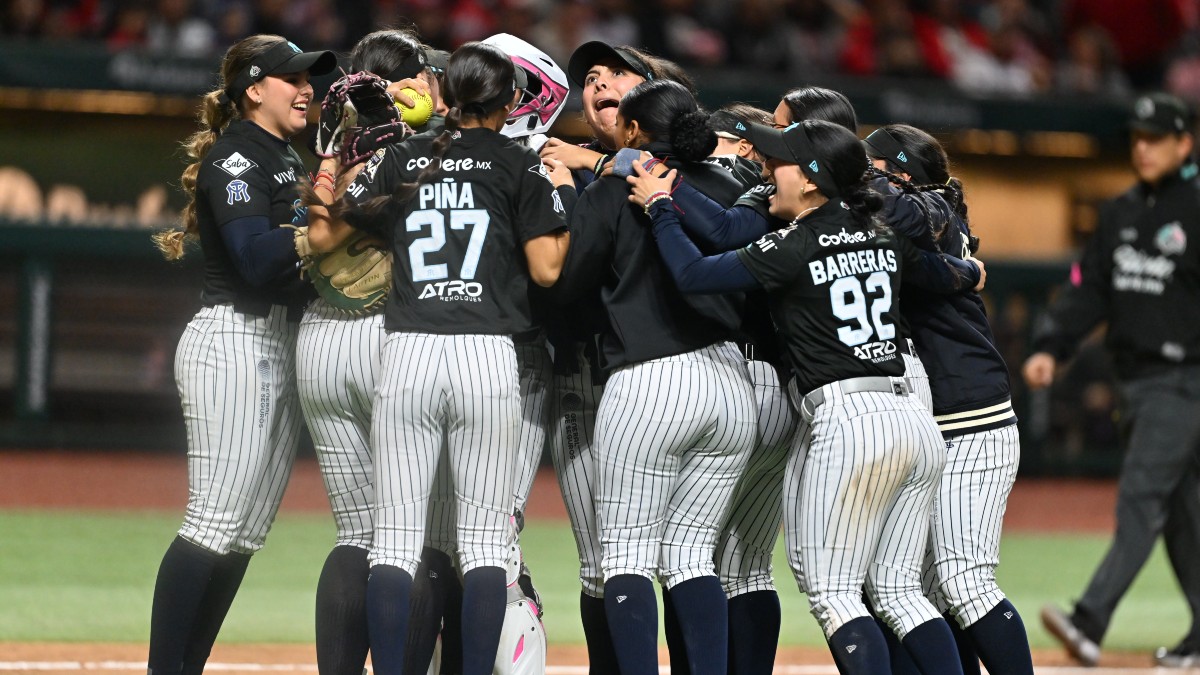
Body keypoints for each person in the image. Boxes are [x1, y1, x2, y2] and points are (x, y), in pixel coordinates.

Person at [638, 118, 982, 673]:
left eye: (782, 162)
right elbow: (939, 272)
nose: (769, 169)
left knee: (835, 593)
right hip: (911, 417)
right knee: (900, 593)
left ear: (815, 180)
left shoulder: (796, 243)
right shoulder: (880, 229)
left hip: (850, 418)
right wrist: (971, 270)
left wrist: (660, 206)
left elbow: (694, 275)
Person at [309, 41, 569, 675]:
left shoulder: (403, 155)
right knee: (482, 547)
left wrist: (329, 158)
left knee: (393, 544)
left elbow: (323, 234)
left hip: (408, 353)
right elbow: (548, 267)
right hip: (487, 356)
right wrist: (559, 202)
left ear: (445, 98)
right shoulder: (519, 163)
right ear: (509, 104)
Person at [549, 77, 757, 675]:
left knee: (627, 556)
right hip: (731, 384)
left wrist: (569, 194)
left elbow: (568, 283)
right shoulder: (725, 185)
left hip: (649, 383)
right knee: (693, 558)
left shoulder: (616, 189)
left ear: (635, 131)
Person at [146, 34, 335, 675]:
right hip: (234, 340)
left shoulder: (287, 154)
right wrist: (331, 230)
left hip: (278, 342)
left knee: (243, 534)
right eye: (292, 77)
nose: (307, 87)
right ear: (254, 88)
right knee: (213, 522)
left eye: (309, 77)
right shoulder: (236, 155)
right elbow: (257, 260)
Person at [537, 39, 697, 673]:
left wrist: (600, 165)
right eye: (590, 78)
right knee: (605, 563)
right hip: (588, 373)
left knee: (689, 558)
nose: (597, 82)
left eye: (615, 73)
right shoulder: (564, 169)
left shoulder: (689, 160)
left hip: (683, 377)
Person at [1026, 92, 1200, 668]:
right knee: (1181, 511)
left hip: (1185, 380)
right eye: (1137, 138)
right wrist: (1053, 344)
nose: (1143, 148)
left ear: (1184, 143)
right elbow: (1086, 289)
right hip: (1137, 383)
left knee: (1142, 496)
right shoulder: (1120, 211)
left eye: (1156, 138)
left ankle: (1089, 619)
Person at [292, 27, 436, 675]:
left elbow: (311, 236)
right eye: (426, 74)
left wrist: (328, 161)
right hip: (391, 340)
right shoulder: (425, 145)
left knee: (355, 531)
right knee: (413, 538)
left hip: (322, 339)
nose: (434, 85)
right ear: (406, 84)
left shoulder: (336, 142)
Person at [865, 124, 1034, 675]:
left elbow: (900, 217)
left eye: (873, 165)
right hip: (931, 413)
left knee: (963, 580)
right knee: (917, 586)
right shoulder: (920, 206)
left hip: (970, 410)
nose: (863, 175)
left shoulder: (926, 209)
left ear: (902, 172)